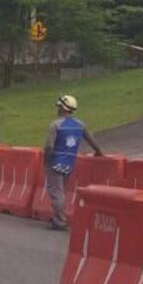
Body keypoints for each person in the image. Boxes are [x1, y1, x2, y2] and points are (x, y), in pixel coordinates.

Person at [43, 94, 104, 231]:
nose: (57, 109)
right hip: (69, 163)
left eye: (59, 106)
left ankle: (60, 220)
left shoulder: (56, 125)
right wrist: (99, 152)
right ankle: (58, 217)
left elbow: (49, 146)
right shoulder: (80, 125)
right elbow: (91, 140)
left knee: (56, 192)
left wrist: (46, 161)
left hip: (56, 162)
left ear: (63, 108)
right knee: (62, 191)